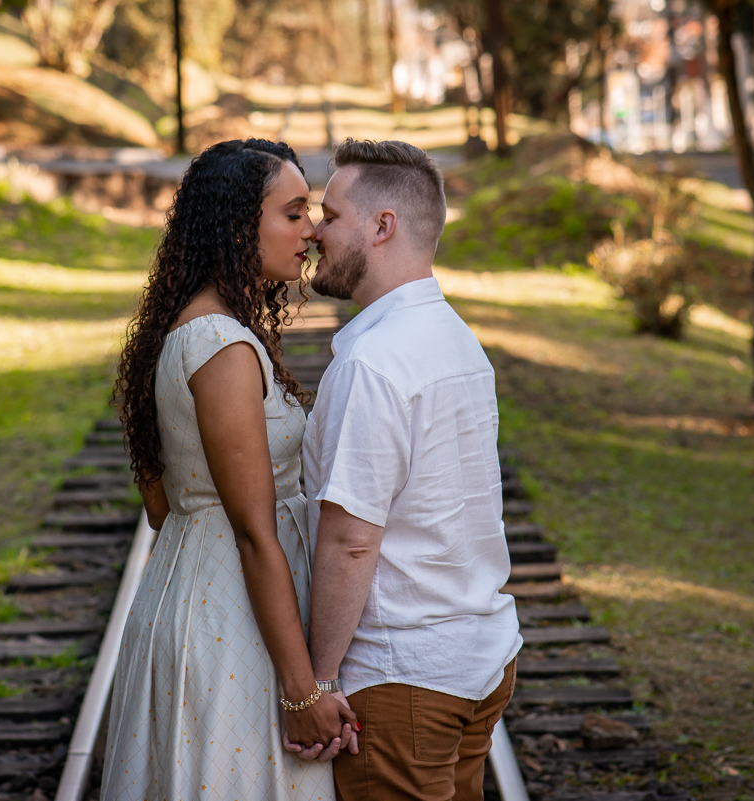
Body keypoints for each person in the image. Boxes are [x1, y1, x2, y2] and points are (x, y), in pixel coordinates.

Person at [101, 138, 357, 801]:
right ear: (240, 223)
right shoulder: (222, 344)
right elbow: (251, 529)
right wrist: (303, 693)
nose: (311, 230)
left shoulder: (193, 328)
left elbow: (165, 506)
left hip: (198, 585)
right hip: (230, 616)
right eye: (294, 212)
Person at [297, 138, 523, 801]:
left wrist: (318, 682)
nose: (315, 231)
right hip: (478, 657)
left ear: (382, 226)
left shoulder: (372, 364)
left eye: (331, 215)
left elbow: (350, 539)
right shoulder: (456, 338)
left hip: (402, 677)